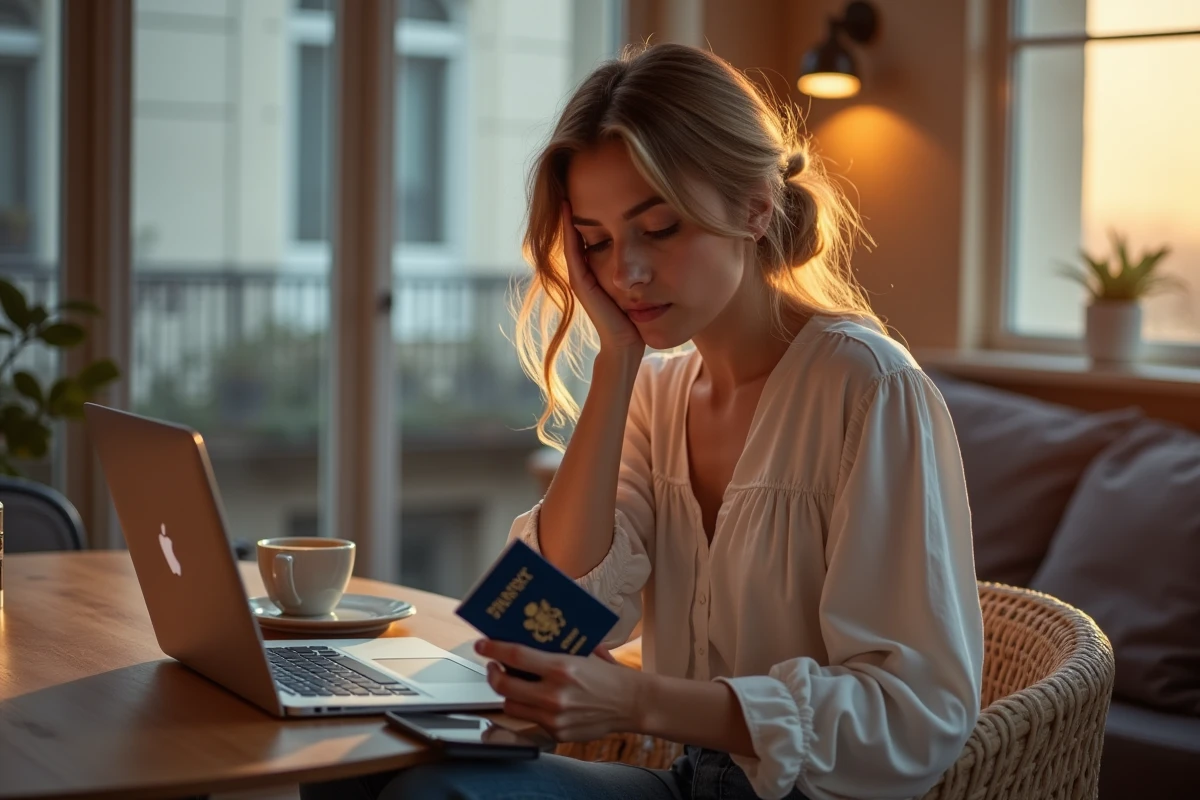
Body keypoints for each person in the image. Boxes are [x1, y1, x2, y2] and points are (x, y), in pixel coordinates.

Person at [302, 42, 983, 800]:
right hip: (689, 784)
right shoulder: (655, 395)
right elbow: (538, 622)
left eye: (658, 229)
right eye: (595, 243)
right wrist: (617, 362)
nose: (625, 273)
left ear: (756, 205)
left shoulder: (869, 388)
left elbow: (917, 718)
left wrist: (638, 702)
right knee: (350, 764)